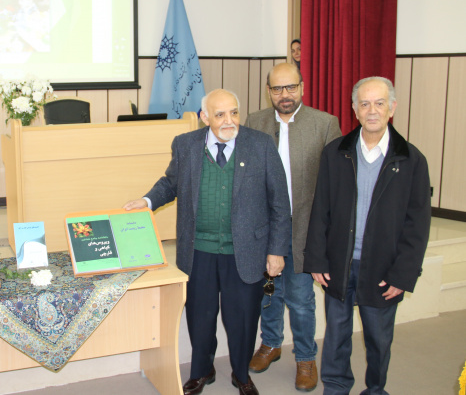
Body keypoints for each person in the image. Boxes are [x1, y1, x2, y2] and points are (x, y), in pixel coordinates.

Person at [123, 89, 291, 395]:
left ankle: (242, 374)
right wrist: (147, 201)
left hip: (245, 251)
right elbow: (171, 183)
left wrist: (277, 250)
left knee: (242, 319)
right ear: (204, 117)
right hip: (198, 250)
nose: (229, 121)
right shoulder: (186, 144)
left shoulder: (261, 145)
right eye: (220, 114)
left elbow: (279, 203)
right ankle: (202, 371)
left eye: (234, 112)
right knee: (200, 317)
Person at [304, 77, 431, 394]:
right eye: (364, 104)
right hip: (339, 262)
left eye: (379, 103)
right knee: (337, 333)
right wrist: (317, 258)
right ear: (355, 109)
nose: (372, 110)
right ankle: (336, 386)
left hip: (383, 267)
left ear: (392, 108)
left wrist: (403, 274)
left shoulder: (412, 160)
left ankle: (375, 389)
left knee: (378, 338)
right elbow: (321, 208)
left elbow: (418, 224)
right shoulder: (335, 153)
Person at [245, 63, 341, 391]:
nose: (284, 95)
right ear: (268, 91)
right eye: (277, 88)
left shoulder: (325, 124)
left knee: (300, 298)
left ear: (302, 87)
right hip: (266, 229)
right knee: (269, 292)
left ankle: (305, 357)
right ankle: (270, 344)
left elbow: (336, 183)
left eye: (291, 87)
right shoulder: (255, 122)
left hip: (305, 229)